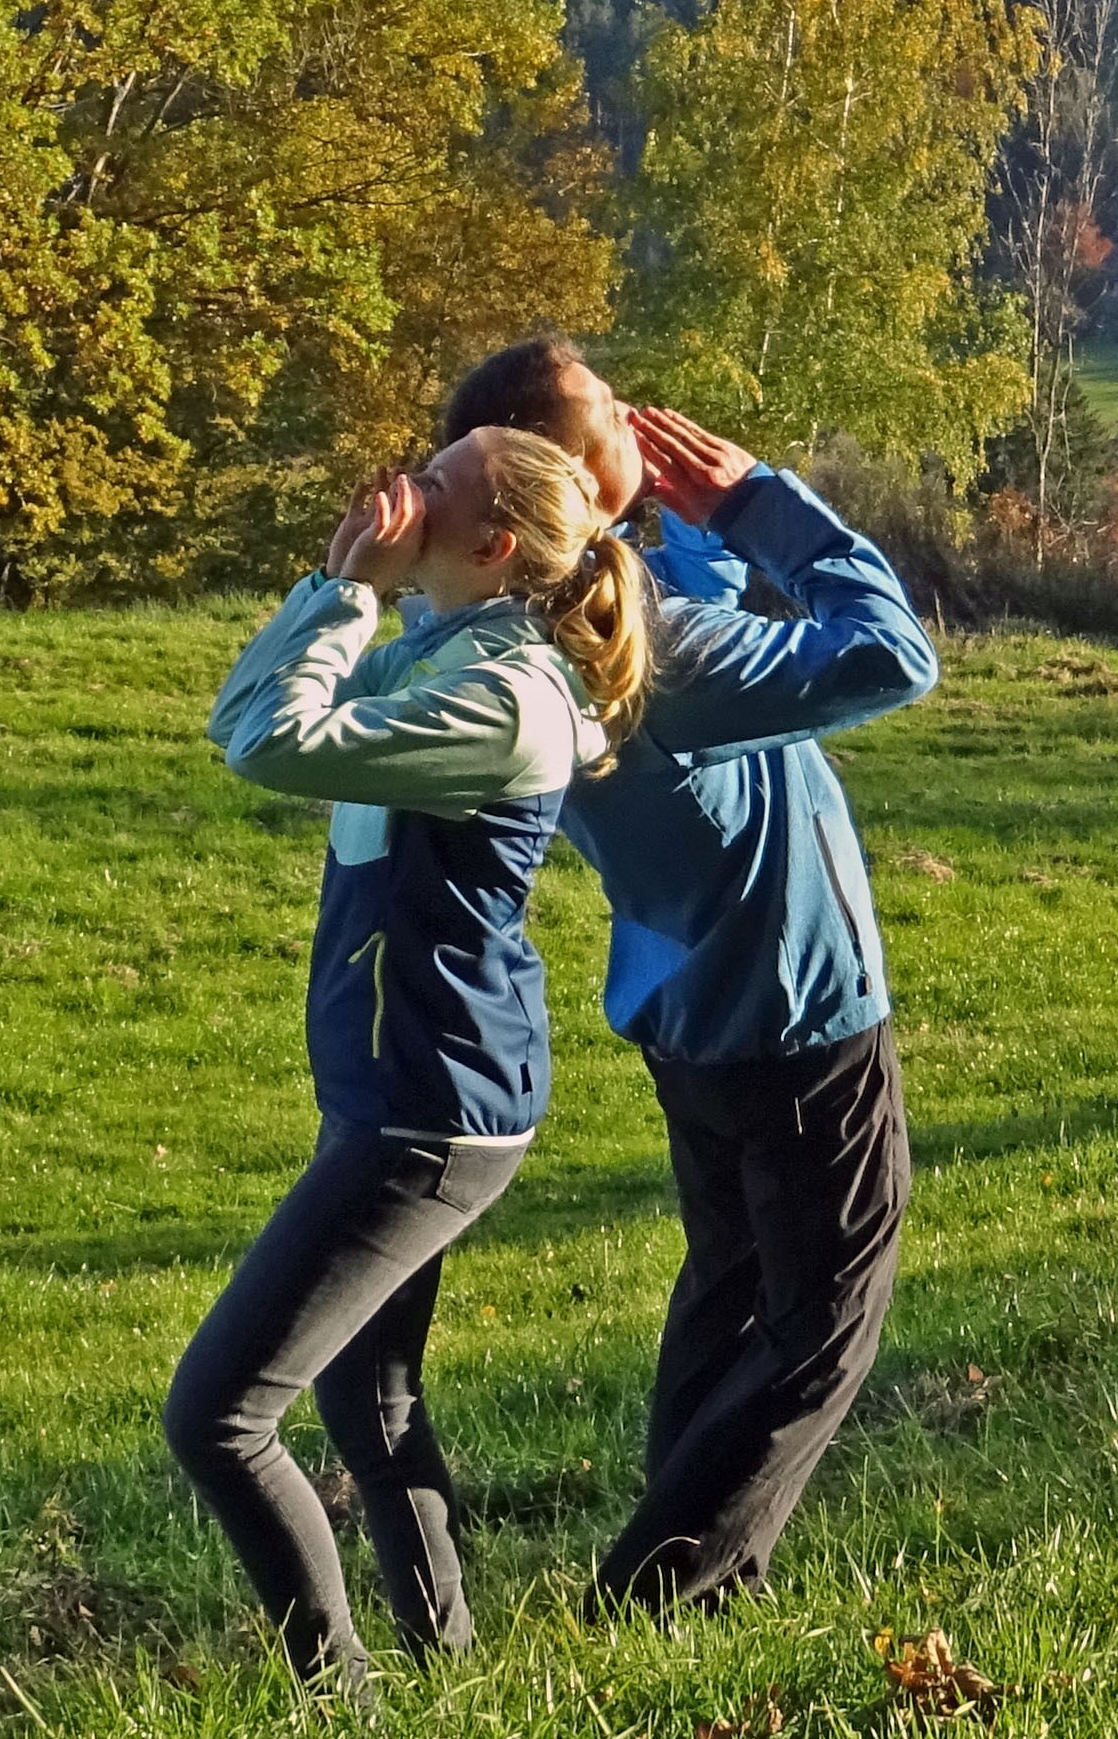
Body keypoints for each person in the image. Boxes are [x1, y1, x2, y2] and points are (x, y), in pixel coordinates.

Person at [437, 337, 934, 1614]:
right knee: (819, 1326)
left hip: (694, 1014)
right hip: (798, 1015)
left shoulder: (533, 621)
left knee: (731, 1301)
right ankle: (661, 1591)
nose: (642, 417)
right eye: (611, 412)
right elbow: (889, 656)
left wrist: (673, 515)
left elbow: (673, 592)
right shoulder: (654, 648)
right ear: (570, 471)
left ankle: (702, 1590)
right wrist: (765, 501)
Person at [162, 423, 653, 1697]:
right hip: (410, 1093)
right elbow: (243, 720)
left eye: (436, 483)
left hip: (429, 1116)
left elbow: (274, 745)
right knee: (366, 1407)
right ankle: (451, 1678)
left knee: (220, 1416)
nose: (402, 487)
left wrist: (352, 591)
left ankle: (343, 1698)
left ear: (490, 545)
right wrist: (345, 594)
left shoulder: (496, 700)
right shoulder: (446, 657)